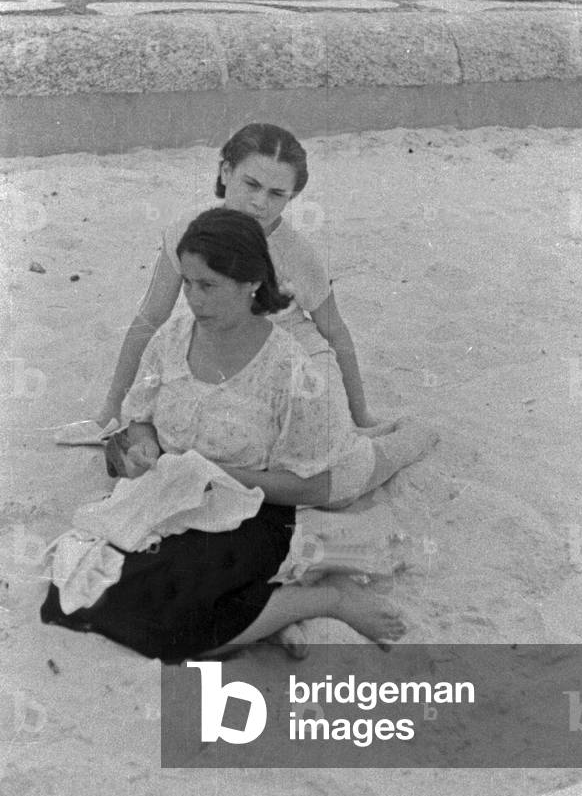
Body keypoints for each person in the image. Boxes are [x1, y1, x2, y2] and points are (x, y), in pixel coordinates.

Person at [41, 210, 435, 663]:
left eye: (207, 286)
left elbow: (312, 486)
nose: (192, 299)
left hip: (253, 516)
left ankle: (328, 600)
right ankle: (270, 610)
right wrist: (145, 445)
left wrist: (215, 473)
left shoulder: (290, 369)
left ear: (250, 282)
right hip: (173, 502)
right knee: (81, 597)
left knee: (178, 632)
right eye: (187, 283)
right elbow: (141, 417)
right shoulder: (172, 338)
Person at [95, 122, 387, 436]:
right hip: (224, 353)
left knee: (309, 435)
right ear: (225, 172)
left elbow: (336, 333)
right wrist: (112, 406)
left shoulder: (298, 254)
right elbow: (150, 318)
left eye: (276, 194)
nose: (260, 202)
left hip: (293, 356)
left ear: (293, 196)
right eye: (251, 184)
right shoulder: (188, 230)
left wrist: (361, 414)